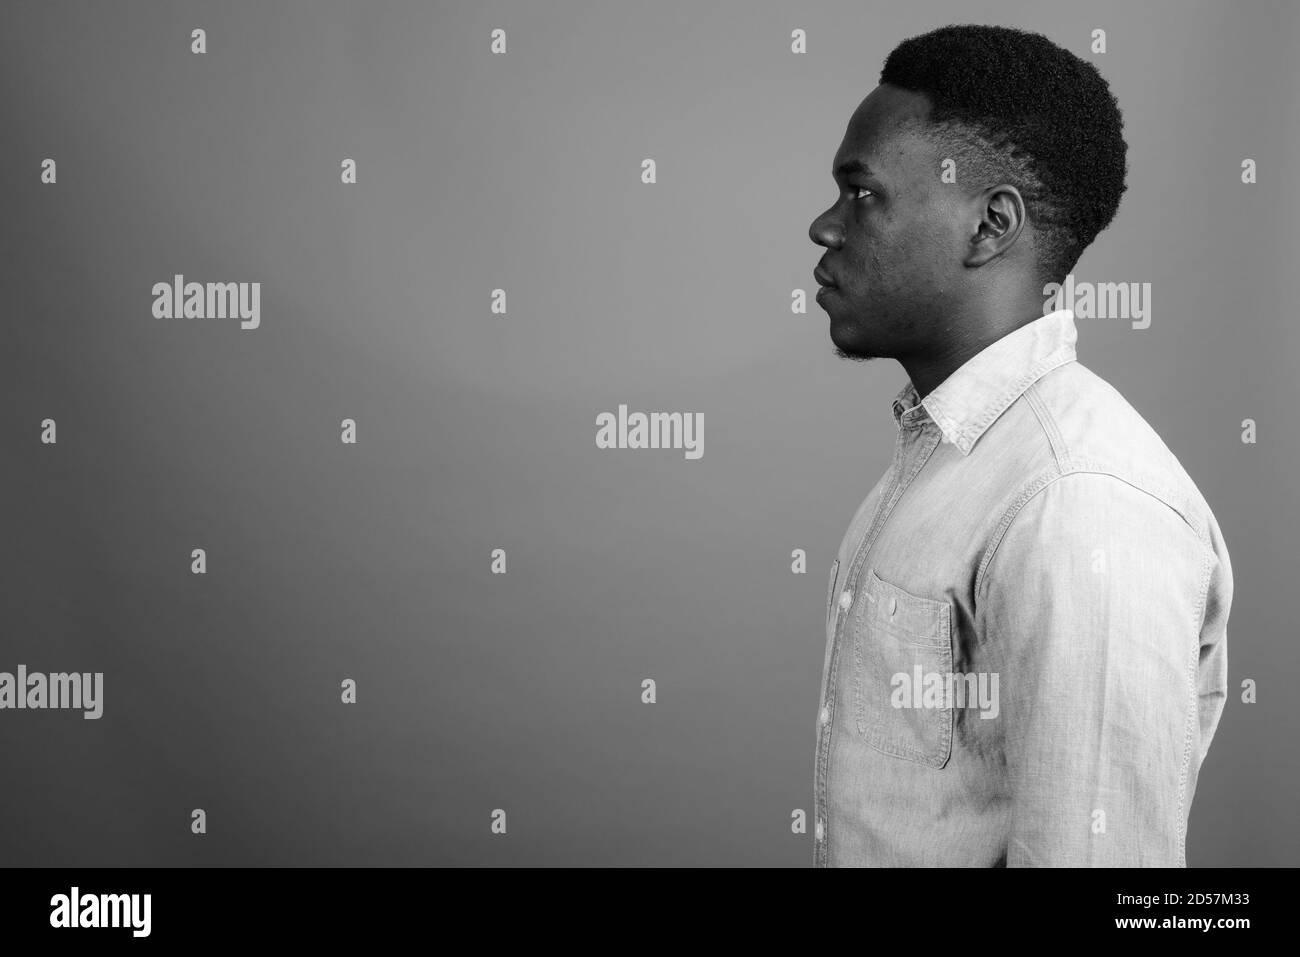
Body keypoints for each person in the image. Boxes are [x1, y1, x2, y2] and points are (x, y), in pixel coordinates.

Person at [808, 23, 1232, 866]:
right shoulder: (953, 458)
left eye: (862, 195)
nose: (824, 227)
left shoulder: (1079, 502)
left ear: (990, 224)